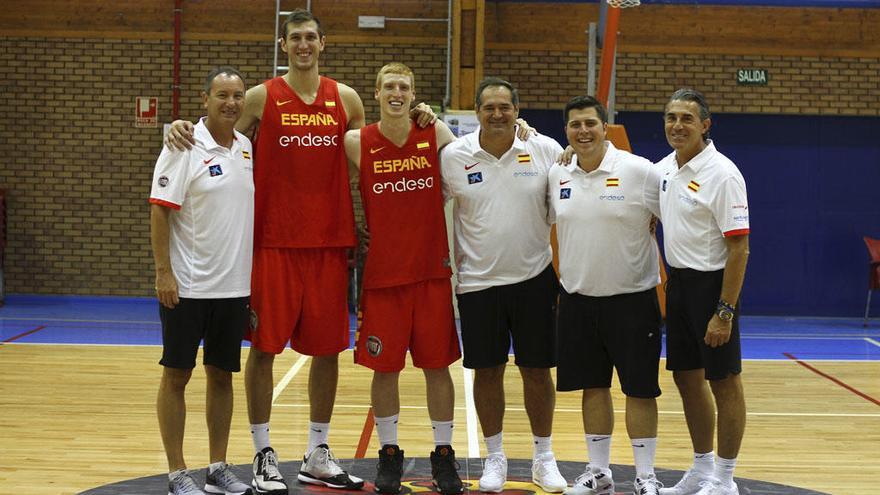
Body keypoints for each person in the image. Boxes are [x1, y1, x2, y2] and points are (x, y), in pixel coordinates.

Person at [164, 10, 434, 495]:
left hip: (331, 244)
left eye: (311, 37)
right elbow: (219, 130)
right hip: (273, 244)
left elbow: (372, 149)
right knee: (264, 350)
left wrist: (418, 115)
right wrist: (179, 127)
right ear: (284, 45)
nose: (304, 44)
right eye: (296, 38)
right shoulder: (261, 97)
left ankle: (317, 451)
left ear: (323, 43)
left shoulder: (347, 99)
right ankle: (263, 452)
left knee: (327, 351)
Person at [440, 77, 567, 494]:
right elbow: (424, 206)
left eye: (505, 107)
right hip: (477, 285)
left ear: (517, 110)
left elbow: (582, 184)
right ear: (476, 111)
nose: (497, 114)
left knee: (536, 371)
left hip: (535, 280)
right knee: (487, 372)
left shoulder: (545, 149)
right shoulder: (455, 156)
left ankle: (543, 457)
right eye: (489, 107)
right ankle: (494, 456)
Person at [344, 62, 464, 495]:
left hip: (432, 271)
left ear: (414, 95)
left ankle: (444, 454)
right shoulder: (356, 142)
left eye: (404, 87)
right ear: (375, 93)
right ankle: (390, 453)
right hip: (383, 276)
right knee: (385, 369)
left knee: (437, 368)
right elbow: (327, 187)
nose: (397, 93)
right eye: (389, 86)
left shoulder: (438, 135)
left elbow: (475, 168)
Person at [550, 95, 664, 495]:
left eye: (590, 124)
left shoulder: (640, 172)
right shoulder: (558, 174)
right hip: (578, 301)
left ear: (604, 127)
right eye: (575, 125)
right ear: (566, 131)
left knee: (640, 390)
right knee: (592, 387)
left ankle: (645, 476)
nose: (583, 131)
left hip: (632, 300)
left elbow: (673, 217)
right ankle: (599, 472)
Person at [150, 66, 254, 495]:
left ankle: (217, 467)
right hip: (187, 287)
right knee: (177, 375)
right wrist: (163, 272)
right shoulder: (183, 144)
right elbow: (159, 209)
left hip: (233, 288)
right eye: (222, 95)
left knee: (222, 375)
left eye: (237, 96)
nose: (230, 103)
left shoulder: (246, 147)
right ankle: (177, 473)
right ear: (205, 99)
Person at [656, 89, 749, 495]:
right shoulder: (662, 169)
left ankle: (725, 479)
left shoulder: (723, 174)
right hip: (677, 285)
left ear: (705, 125)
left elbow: (739, 248)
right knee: (686, 378)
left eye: (687, 119)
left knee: (723, 380)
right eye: (671, 117)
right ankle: (701, 468)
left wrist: (724, 311)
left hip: (713, 288)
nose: (678, 126)